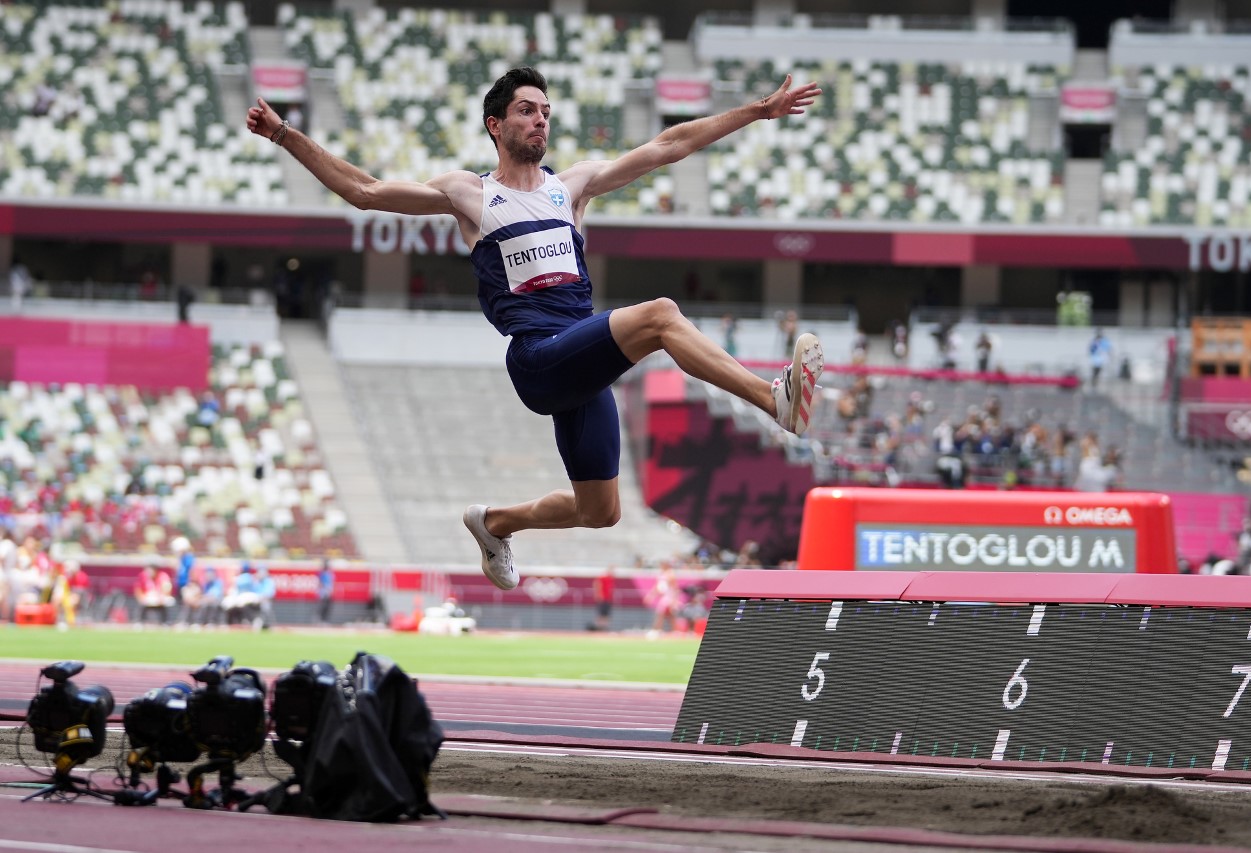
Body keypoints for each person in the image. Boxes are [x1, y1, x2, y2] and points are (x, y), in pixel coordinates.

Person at [247, 67, 826, 592]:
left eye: (546, 111)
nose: (540, 120)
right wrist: (284, 135)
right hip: (537, 359)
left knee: (601, 511)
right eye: (527, 110)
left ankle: (495, 523)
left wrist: (755, 110)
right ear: (495, 125)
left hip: (581, 364)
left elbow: (669, 145)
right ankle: (773, 400)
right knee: (660, 314)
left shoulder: (570, 187)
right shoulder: (470, 194)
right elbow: (364, 192)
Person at [133, 561, 175, 625]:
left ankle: (167, 622)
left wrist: (161, 596)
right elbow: (138, 589)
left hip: (160, 598)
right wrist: (141, 598)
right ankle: (139, 622)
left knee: (169, 602)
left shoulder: (163, 576)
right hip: (147, 597)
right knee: (142, 603)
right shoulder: (143, 575)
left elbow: (167, 588)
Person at [586, 564, 615, 631]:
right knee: (601, 614)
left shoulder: (611, 578)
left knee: (606, 614)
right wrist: (598, 594)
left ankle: (604, 628)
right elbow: (597, 584)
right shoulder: (603, 577)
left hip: (608, 599)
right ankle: (598, 627)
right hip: (603, 598)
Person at [316, 558, 334, 623]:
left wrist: (330, 590)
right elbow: (320, 582)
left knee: (328, 606)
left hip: (328, 591)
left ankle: (325, 619)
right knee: (323, 606)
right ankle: (320, 619)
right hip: (324, 591)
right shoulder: (322, 573)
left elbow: (331, 582)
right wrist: (324, 589)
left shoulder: (330, 573)